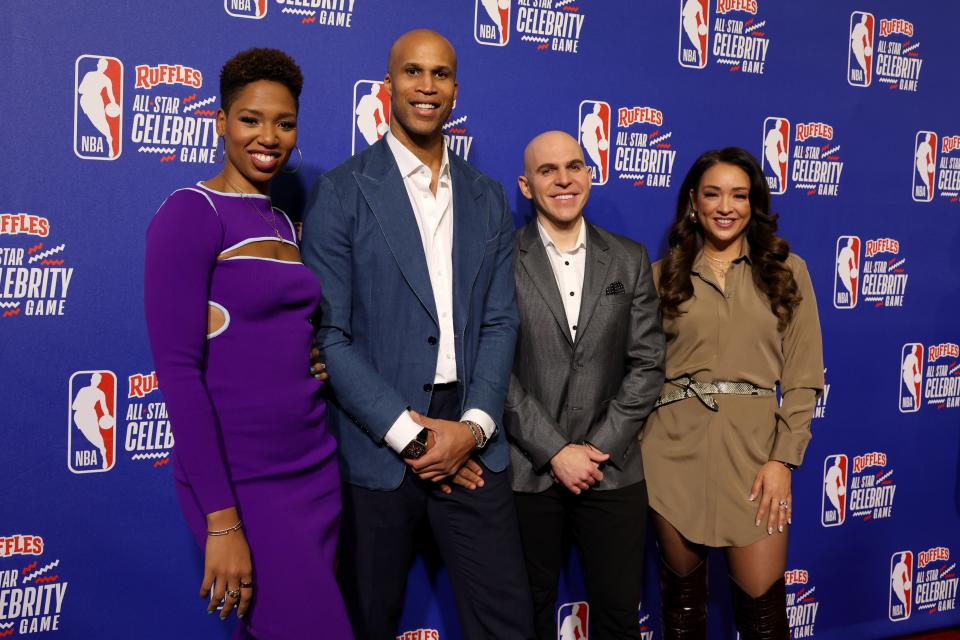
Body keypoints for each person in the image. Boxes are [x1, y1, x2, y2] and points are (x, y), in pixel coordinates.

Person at [302, 29, 534, 640]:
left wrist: (473, 426)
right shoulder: (343, 191)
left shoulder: (486, 195)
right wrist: (411, 436)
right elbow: (331, 335)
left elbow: (498, 320)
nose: (426, 86)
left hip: (471, 433)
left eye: (440, 74)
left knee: (508, 622)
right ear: (388, 87)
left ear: (455, 89)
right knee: (366, 621)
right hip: (377, 440)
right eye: (412, 72)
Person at [144, 48, 351, 639]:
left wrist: (309, 359)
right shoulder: (192, 212)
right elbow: (179, 373)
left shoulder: (284, 222)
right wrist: (222, 521)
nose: (269, 137)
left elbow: (280, 328)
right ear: (220, 122)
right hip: (243, 480)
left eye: (285, 124)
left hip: (312, 465)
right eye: (251, 119)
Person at [641, 147, 823, 639]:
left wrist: (782, 461)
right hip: (671, 453)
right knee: (681, 610)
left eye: (739, 195)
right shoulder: (662, 276)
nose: (726, 206)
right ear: (693, 204)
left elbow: (804, 379)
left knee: (764, 617)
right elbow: (639, 374)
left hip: (755, 457)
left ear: (753, 203)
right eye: (713, 194)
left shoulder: (788, 272)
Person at [506, 131, 664, 639]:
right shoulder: (499, 260)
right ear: (527, 186)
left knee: (618, 613)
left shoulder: (629, 258)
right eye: (547, 171)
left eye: (574, 166)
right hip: (528, 470)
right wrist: (555, 451)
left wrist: (595, 448)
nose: (564, 179)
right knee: (527, 612)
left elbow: (648, 363)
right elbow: (493, 372)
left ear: (590, 176)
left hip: (611, 470)